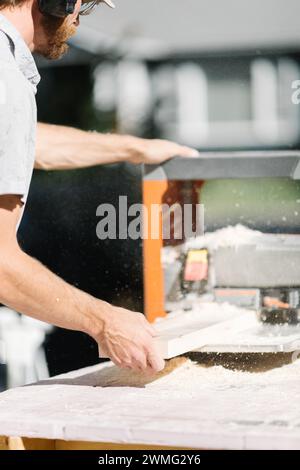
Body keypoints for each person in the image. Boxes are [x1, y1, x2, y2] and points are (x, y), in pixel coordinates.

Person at [0, 0, 198, 374]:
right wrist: (103, 321)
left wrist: (132, 148)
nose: (78, 19)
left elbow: (21, 141)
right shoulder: (5, 76)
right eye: (82, 5)